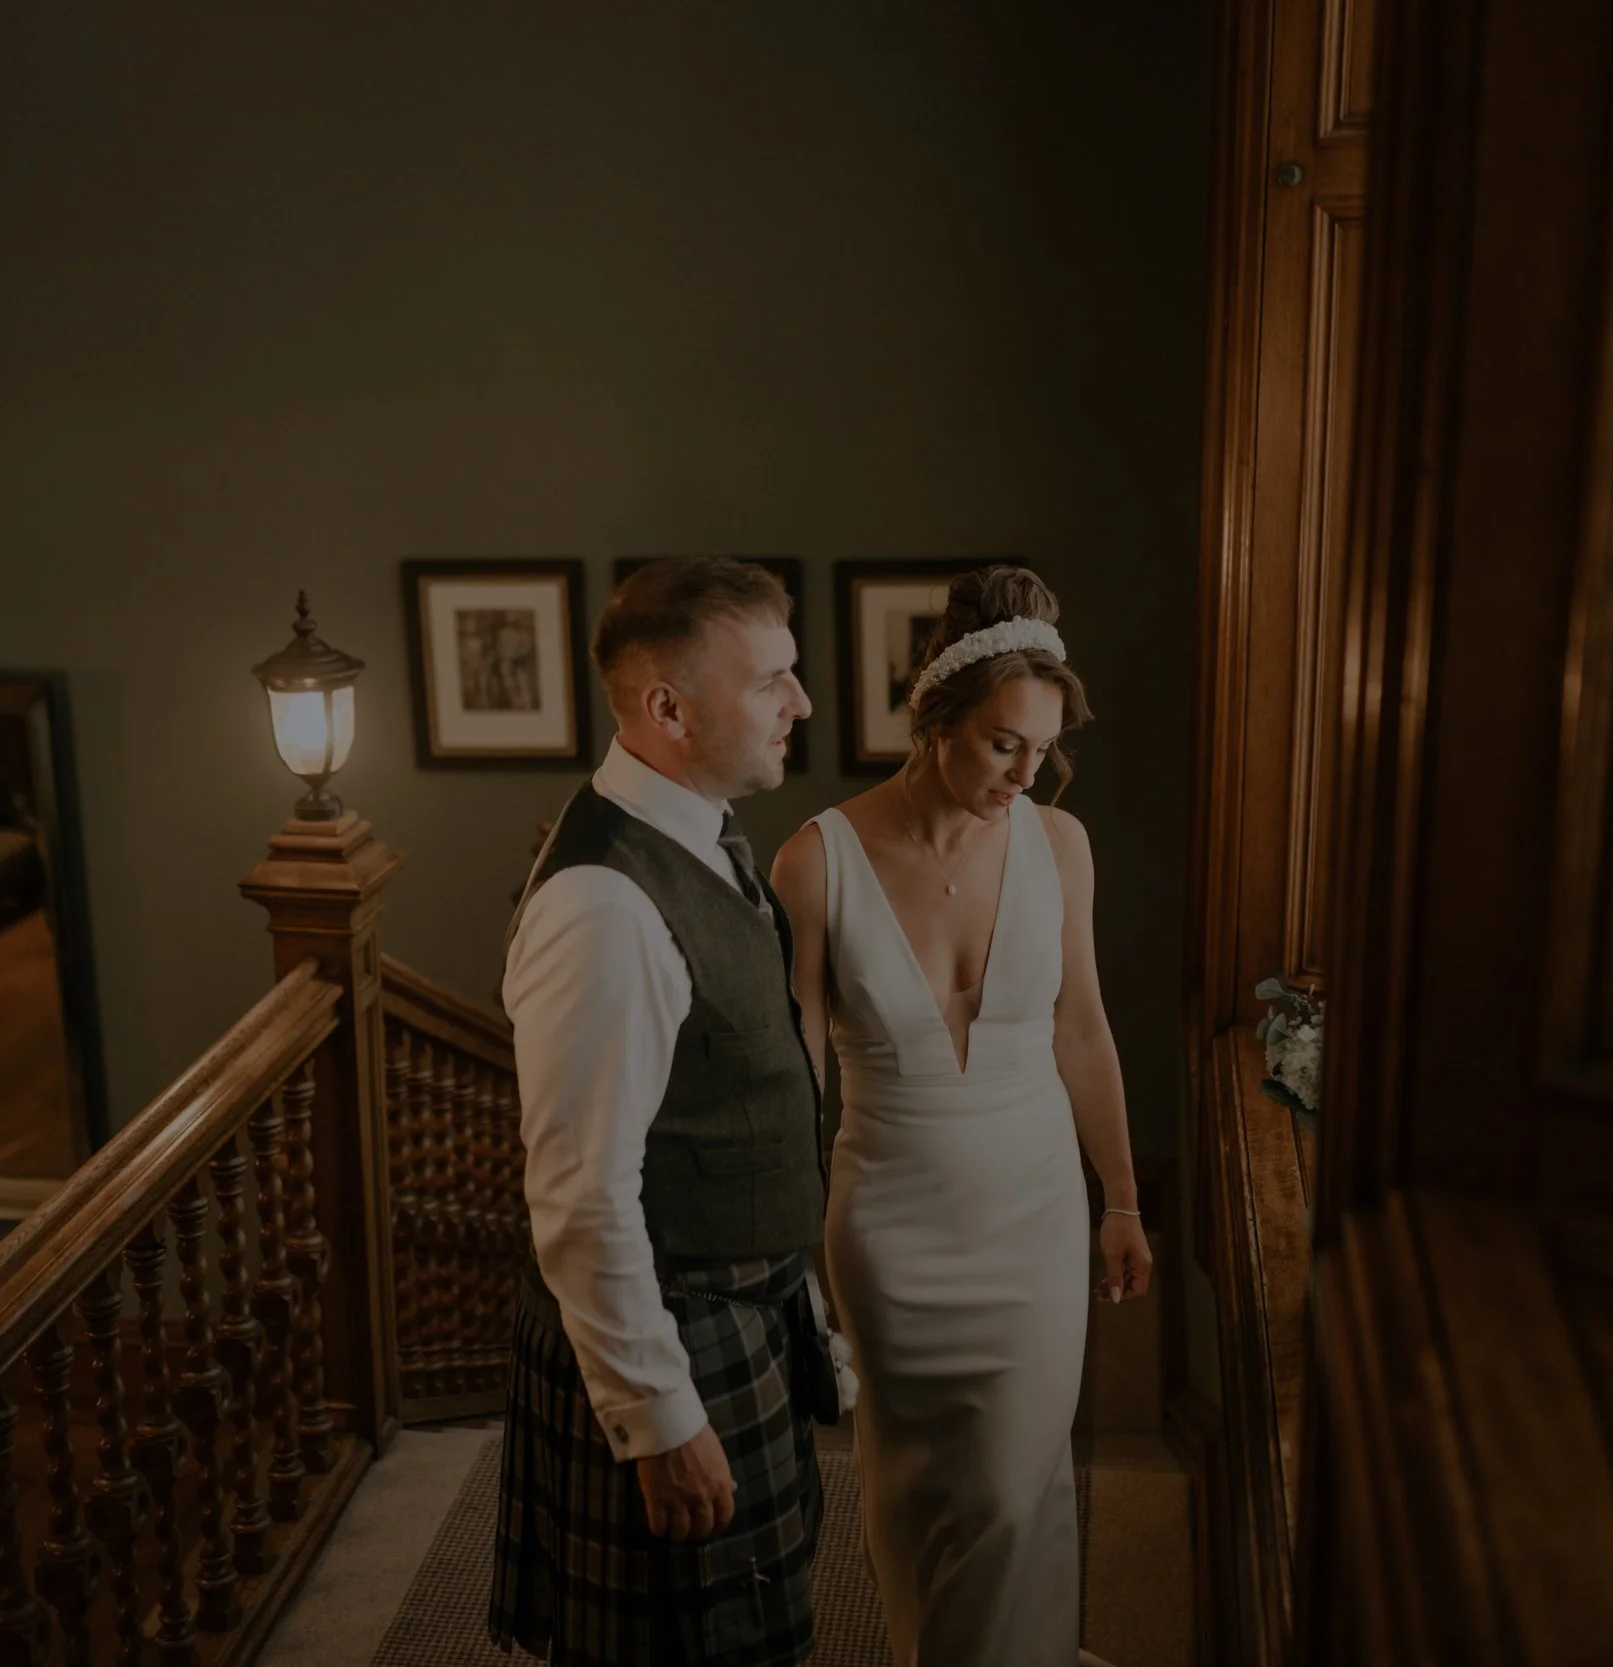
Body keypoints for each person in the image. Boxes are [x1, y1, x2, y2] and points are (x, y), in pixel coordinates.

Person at [771, 566, 1151, 1667]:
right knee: (915, 1483)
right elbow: (797, 1073)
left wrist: (1120, 1196)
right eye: (1000, 743)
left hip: (1034, 1218)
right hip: (888, 1223)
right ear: (934, 718)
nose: (1025, 773)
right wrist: (793, 1252)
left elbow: (1082, 1027)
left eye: (1041, 749)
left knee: (1009, 1482)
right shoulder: (815, 861)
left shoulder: (1057, 845)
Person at [491, 558, 830, 1667]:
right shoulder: (603, 905)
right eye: (772, 679)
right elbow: (581, 1197)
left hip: (739, 1312)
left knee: (761, 1627)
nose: (802, 702)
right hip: (677, 1332)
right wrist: (658, 1414)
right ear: (667, 708)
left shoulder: (701, 831)